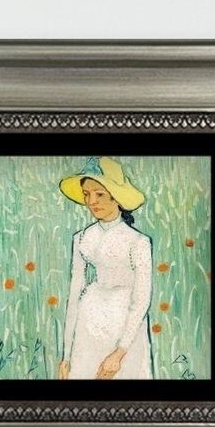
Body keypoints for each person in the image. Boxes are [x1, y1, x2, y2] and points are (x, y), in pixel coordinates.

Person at [57, 158, 153, 380]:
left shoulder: (138, 242)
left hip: (125, 328)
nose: (92, 201)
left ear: (116, 197)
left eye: (99, 194)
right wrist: (66, 356)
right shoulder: (82, 238)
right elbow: (74, 295)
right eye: (87, 194)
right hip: (88, 326)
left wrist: (119, 353)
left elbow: (141, 299)